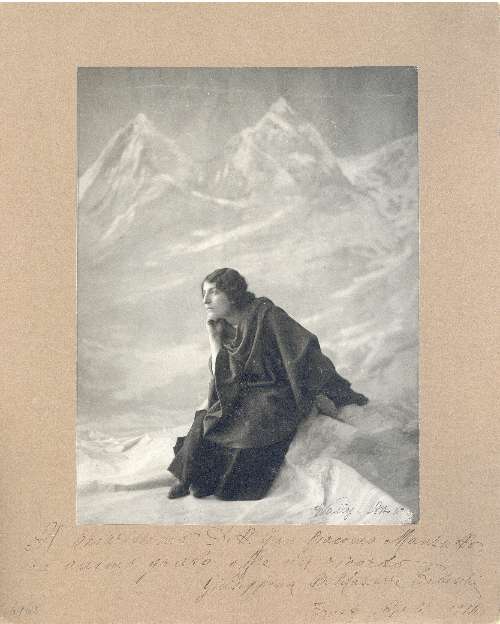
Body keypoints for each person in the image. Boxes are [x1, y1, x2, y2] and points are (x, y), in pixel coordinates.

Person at [167, 268, 368, 501]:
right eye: (204, 294)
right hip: (243, 393)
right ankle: (190, 477)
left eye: (213, 292)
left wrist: (325, 392)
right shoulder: (223, 327)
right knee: (207, 418)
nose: (205, 301)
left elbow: (303, 352)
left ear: (231, 293)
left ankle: (221, 483)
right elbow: (223, 376)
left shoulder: (267, 315)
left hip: (276, 394)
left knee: (251, 423)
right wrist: (214, 340)